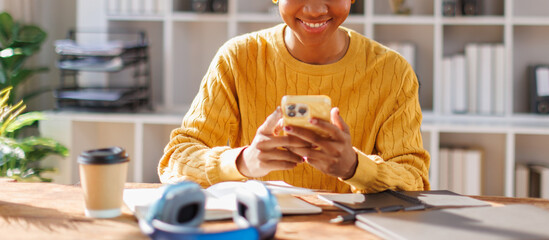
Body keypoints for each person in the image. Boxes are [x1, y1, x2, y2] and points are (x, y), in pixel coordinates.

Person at [158, 0, 430, 193]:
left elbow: (414, 177)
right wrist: (244, 161)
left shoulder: (393, 71)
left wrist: (355, 167)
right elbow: (176, 160)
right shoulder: (237, 59)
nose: (314, 9)